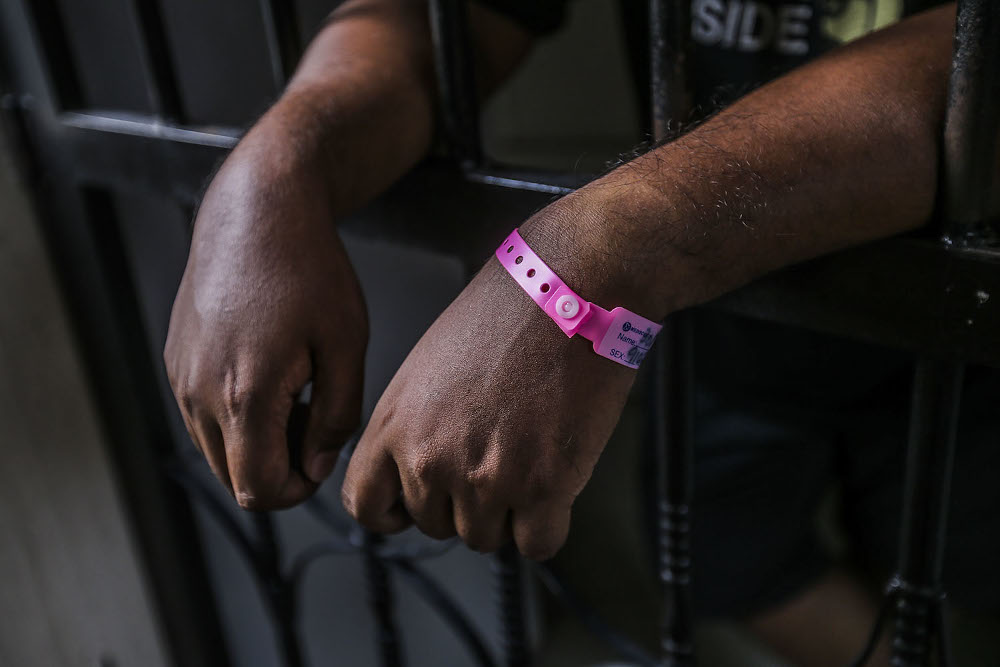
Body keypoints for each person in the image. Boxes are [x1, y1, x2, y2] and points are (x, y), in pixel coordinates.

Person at [163, 1, 997, 664]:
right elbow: (452, 19)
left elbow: (979, 58)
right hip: (744, 318)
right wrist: (276, 165)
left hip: (969, 325)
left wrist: (590, 257)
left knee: (964, 587)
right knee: (723, 557)